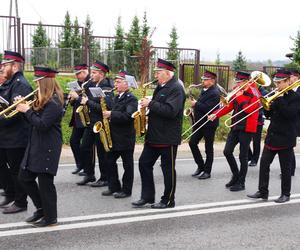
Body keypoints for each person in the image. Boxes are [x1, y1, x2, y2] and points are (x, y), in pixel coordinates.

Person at [132, 58, 185, 209]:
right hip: (154, 135)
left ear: (168, 73)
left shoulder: (176, 88)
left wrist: (151, 104)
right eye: (156, 72)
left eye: (158, 72)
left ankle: (168, 200)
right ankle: (147, 196)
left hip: (168, 137)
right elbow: (159, 108)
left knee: (167, 169)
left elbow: (171, 111)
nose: (156, 75)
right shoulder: (161, 86)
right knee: (144, 163)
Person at [17, 66, 64, 227]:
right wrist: (22, 109)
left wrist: (27, 110)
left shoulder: (54, 102)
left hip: (48, 146)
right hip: (36, 143)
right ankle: (41, 208)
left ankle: (51, 217)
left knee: (45, 183)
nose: (35, 85)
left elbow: (42, 124)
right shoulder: (41, 99)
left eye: (38, 83)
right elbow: (32, 122)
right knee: (24, 178)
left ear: (44, 83)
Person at [247, 69, 300, 203]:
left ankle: (285, 194)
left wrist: (280, 99)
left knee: (285, 168)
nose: (277, 86)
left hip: (286, 137)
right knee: (264, 165)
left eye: (280, 83)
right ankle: (263, 191)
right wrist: (267, 107)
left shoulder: (296, 97)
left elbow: (290, 114)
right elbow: (271, 115)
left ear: (288, 81)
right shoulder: (276, 95)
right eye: (276, 83)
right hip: (272, 136)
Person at [208, 71, 260, 191]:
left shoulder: (255, 92)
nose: (237, 84)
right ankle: (236, 175)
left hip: (247, 128)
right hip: (236, 126)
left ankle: (241, 182)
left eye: (239, 82)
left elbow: (249, 109)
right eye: (237, 82)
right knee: (227, 151)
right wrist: (215, 114)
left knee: (243, 156)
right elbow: (229, 106)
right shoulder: (238, 90)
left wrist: (240, 96)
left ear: (246, 81)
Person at [70, 60, 113, 186]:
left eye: (94, 73)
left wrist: (85, 101)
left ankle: (104, 178)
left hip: (101, 123)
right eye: (92, 72)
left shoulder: (106, 87)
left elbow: (104, 108)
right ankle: (89, 174)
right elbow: (84, 97)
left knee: (101, 151)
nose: (91, 75)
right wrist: (76, 96)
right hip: (91, 122)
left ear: (101, 74)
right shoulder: (91, 84)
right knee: (85, 147)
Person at [0, 51, 32, 214]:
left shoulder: (20, 84)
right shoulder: (9, 83)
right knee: (2, 166)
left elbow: (17, 112)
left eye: (5, 64)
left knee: (16, 169)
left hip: (16, 135)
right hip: (5, 135)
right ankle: (10, 193)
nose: (3, 67)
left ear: (15, 66)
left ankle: (20, 202)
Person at [101, 71, 138, 198]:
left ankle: (126, 190)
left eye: (118, 82)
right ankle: (114, 186)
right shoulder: (116, 97)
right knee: (109, 161)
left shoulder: (132, 99)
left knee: (127, 165)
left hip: (125, 137)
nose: (115, 84)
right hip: (114, 136)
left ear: (126, 84)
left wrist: (111, 114)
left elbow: (129, 116)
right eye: (115, 82)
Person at [189, 70, 221, 179]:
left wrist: (196, 104)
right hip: (199, 122)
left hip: (209, 124)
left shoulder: (215, 93)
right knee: (192, 143)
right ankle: (200, 166)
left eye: (205, 79)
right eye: (203, 79)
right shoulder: (204, 90)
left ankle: (207, 171)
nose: (203, 81)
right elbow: (202, 104)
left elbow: (209, 109)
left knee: (208, 148)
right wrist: (193, 107)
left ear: (212, 81)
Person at [69, 64, 90, 175]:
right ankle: (80, 164)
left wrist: (78, 97)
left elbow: (89, 100)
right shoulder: (78, 84)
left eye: (79, 74)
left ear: (85, 71)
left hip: (87, 117)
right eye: (76, 74)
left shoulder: (89, 82)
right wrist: (72, 98)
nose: (77, 76)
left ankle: (87, 168)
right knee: (73, 141)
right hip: (78, 117)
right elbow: (74, 103)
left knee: (86, 146)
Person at [248, 86, 269, 167]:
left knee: (256, 141)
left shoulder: (264, 92)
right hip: (249, 119)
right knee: (244, 140)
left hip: (258, 119)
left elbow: (264, 107)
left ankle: (255, 159)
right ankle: (249, 156)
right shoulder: (250, 90)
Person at [289, 69, 300, 176]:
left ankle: (290, 170)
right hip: (292, 121)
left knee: (289, 146)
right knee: (289, 146)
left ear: (295, 77)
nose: (289, 79)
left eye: (290, 77)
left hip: (297, 121)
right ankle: (290, 170)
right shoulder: (291, 89)